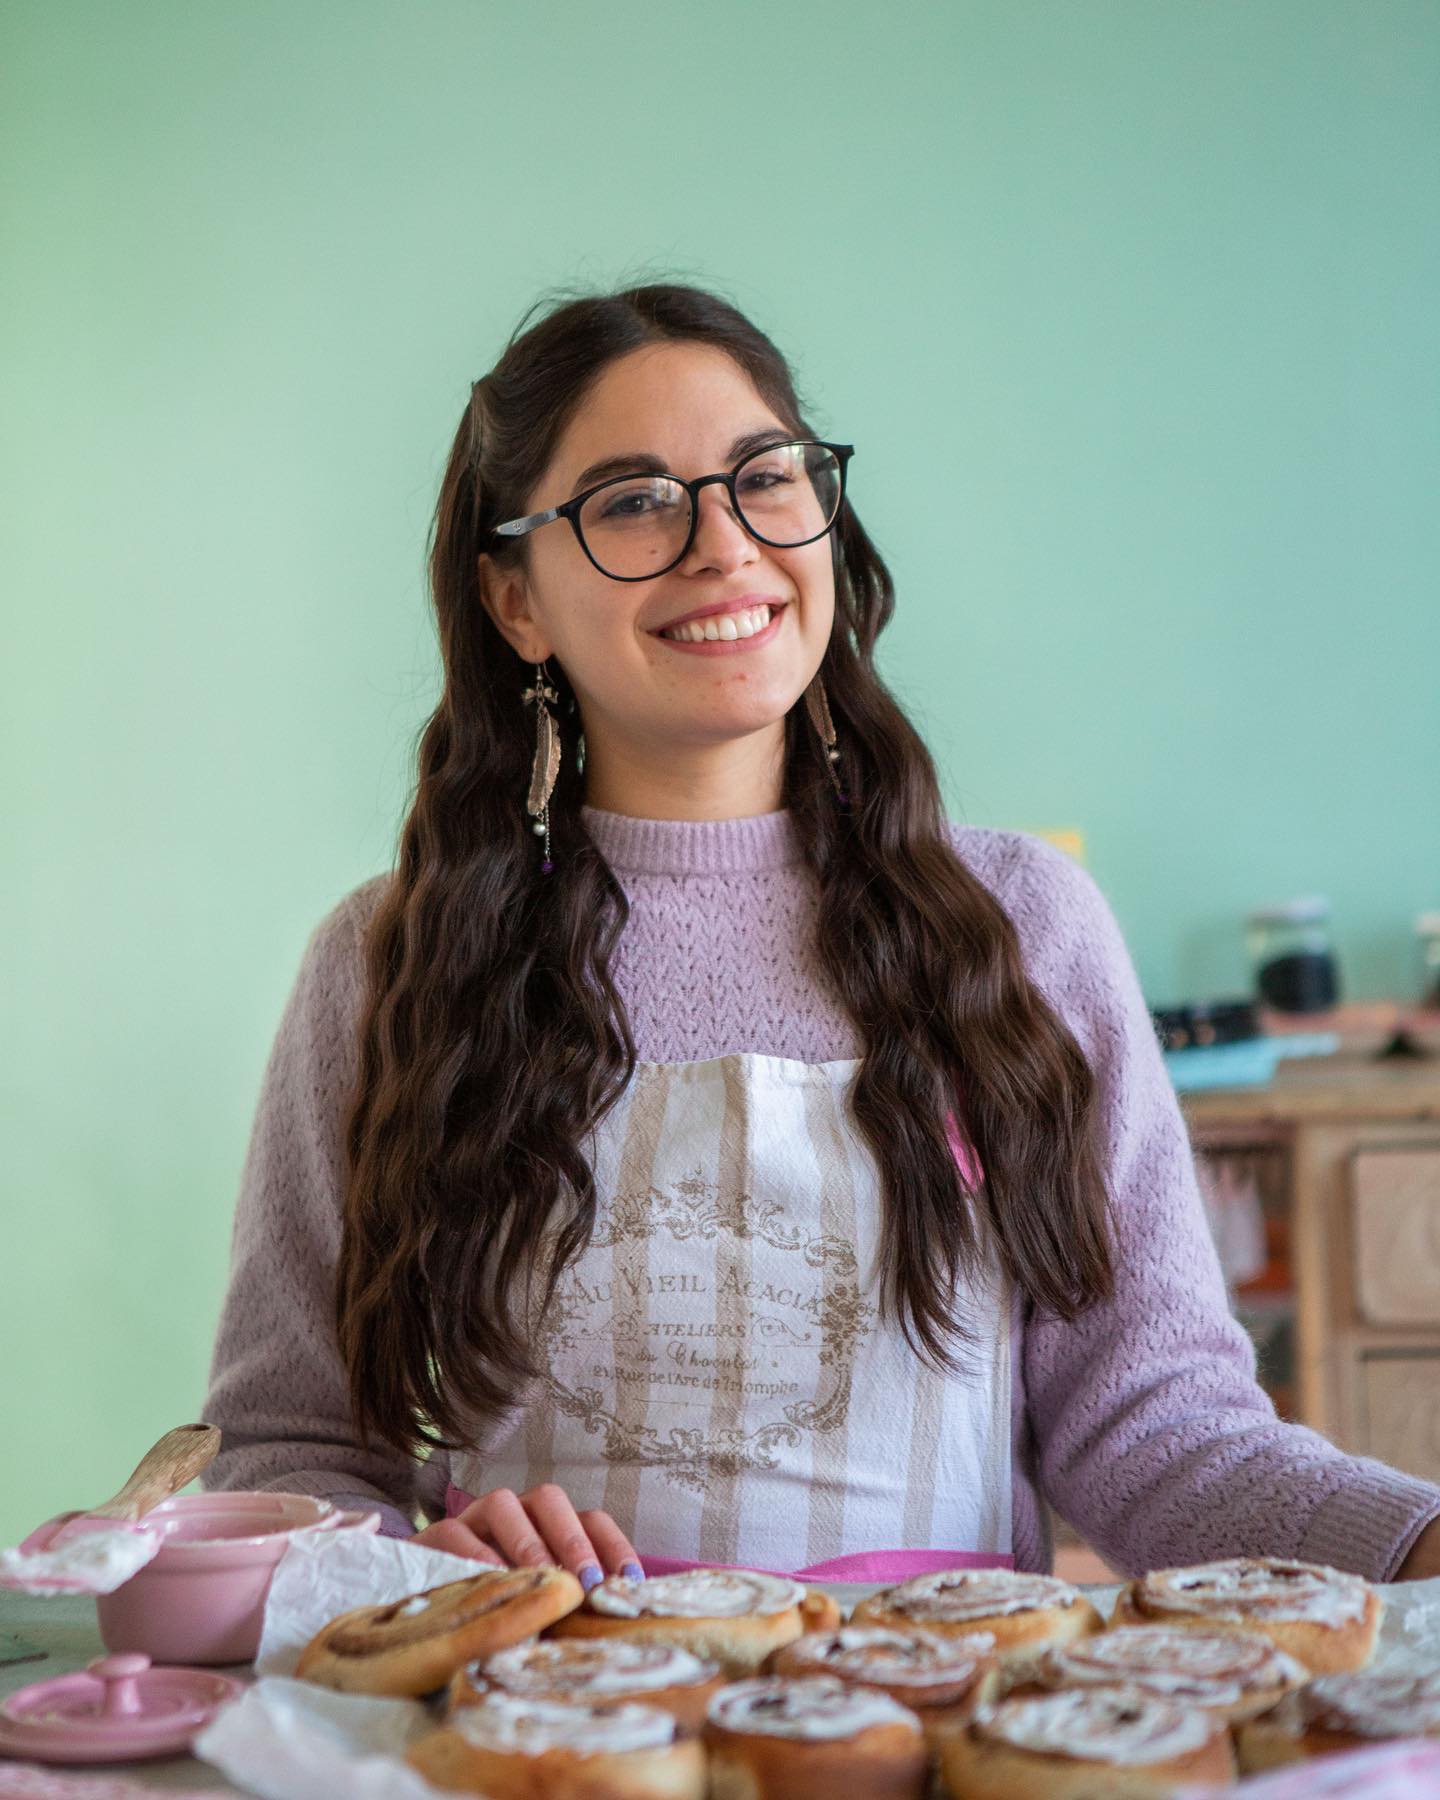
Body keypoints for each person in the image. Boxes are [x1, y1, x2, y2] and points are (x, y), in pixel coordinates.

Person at [202, 281, 1440, 1592]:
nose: (724, 546)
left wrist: (1414, 1540)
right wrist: (419, 1570)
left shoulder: (1017, 927)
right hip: (557, 1755)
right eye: (632, 501)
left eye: (765, 478)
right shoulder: (388, 963)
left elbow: (1162, 1436)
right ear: (516, 600)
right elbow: (287, 1450)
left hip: (939, 1727)